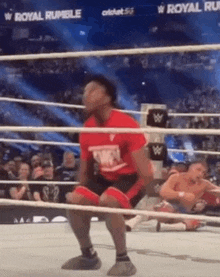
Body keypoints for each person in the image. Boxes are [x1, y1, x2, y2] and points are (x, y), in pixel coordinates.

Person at [62, 75, 153, 276]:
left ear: (107, 97)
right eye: (84, 92)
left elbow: (143, 167)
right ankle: (88, 256)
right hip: (107, 178)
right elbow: (86, 170)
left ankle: (124, 260)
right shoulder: (87, 128)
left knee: (109, 200)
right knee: (73, 199)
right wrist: (79, 196)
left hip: (132, 176)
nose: (85, 96)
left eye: (91, 91)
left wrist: (149, 197)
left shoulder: (125, 123)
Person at [154, 160, 220, 232]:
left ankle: (166, 227)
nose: (200, 174)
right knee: (164, 210)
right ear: (190, 168)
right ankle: (144, 218)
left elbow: (217, 190)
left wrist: (202, 203)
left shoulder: (204, 184)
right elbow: (163, 192)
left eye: (203, 173)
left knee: (195, 222)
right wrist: (182, 194)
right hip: (170, 209)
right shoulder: (176, 177)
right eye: (198, 170)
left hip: (185, 215)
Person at [125, 162, 188, 231]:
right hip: (157, 209)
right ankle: (134, 222)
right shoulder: (159, 183)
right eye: (171, 175)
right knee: (154, 205)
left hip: (178, 212)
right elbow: (154, 193)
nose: (173, 178)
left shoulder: (187, 187)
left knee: (194, 221)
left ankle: (162, 227)